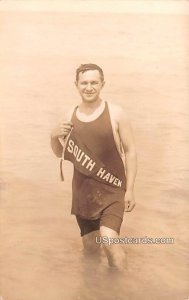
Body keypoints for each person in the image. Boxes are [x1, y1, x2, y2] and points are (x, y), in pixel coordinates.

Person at [50, 63, 137, 270]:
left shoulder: (116, 113)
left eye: (94, 82)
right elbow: (59, 153)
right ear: (76, 85)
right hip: (83, 193)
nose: (89, 87)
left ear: (102, 84)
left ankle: (121, 290)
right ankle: (94, 289)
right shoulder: (69, 115)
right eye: (84, 83)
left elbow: (131, 151)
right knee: (90, 249)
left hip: (113, 189)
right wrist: (53, 135)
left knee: (109, 241)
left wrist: (131, 190)